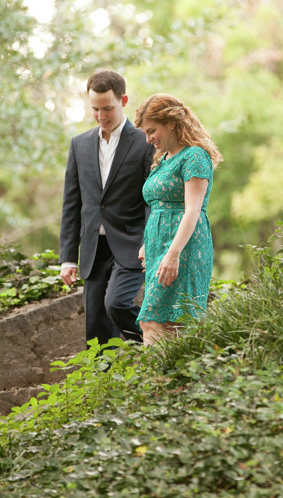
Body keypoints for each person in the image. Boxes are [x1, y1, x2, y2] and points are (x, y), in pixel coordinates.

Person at [59, 70, 155, 346]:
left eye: (107, 108)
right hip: (93, 247)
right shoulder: (79, 145)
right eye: (95, 109)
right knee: (95, 324)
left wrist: (149, 241)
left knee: (117, 304)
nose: (101, 116)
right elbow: (72, 204)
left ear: (123, 100)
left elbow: (151, 199)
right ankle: (110, 371)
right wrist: (68, 258)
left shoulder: (144, 142)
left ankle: (159, 344)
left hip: (131, 243)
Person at [134, 93, 222, 345]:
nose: (148, 139)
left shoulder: (194, 156)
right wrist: (148, 244)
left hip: (184, 247)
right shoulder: (163, 160)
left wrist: (173, 254)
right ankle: (171, 370)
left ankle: (159, 371)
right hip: (159, 247)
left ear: (172, 123)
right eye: (145, 133)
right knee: (163, 322)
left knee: (158, 320)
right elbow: (160, 208)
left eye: (152, 131)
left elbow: (192, 210)